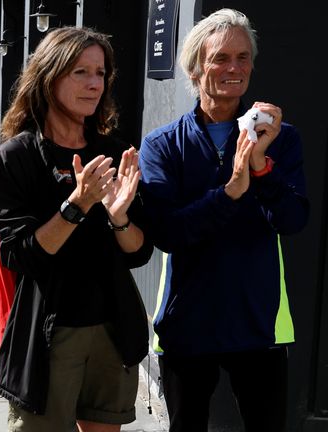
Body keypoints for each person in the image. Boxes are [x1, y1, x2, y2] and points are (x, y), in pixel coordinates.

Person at [138, 9, 309, 432]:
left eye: (243, 57)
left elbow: (292, 219)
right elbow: (169, 232)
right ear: (195, 70)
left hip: (258, 321)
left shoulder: (280, 137)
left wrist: (262, 169)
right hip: (187, 323)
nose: (234, 68)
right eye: (220, 58)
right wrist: (232, 190)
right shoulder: (162, 145)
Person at [0, 27, 153, 431]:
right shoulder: (16, 158)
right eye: (80, 72)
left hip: (111, 329)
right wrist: (76, 206)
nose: (94, 83)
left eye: (100, 73)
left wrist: (118, 217)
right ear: (49, 75)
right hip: (47, 335)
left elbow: (139, 252)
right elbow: (20, 255)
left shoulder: (113, 151)